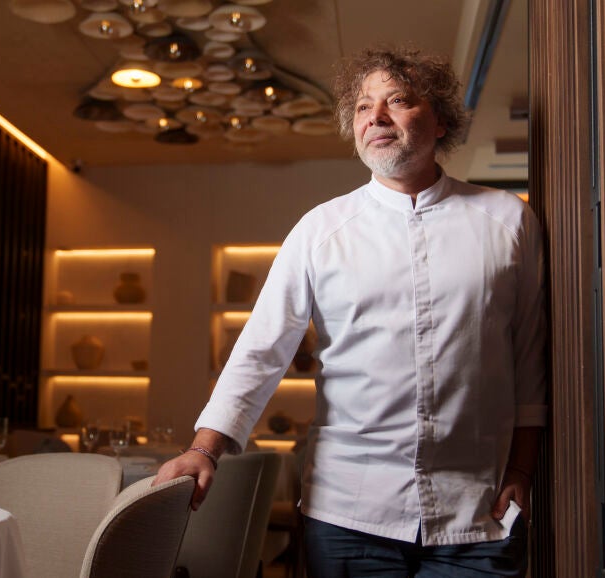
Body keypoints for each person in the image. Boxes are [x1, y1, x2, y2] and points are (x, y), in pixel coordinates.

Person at [155, 45, 547, 577]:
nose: (375, 117)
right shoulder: (319, 230)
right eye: (363, 106)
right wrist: (204, 449)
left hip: (479, 515)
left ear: (440, 122)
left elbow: (529, 361)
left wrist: (523, 466)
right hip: (348, 516)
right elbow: (261, 349)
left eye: (398, 100)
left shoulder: (508, 220)